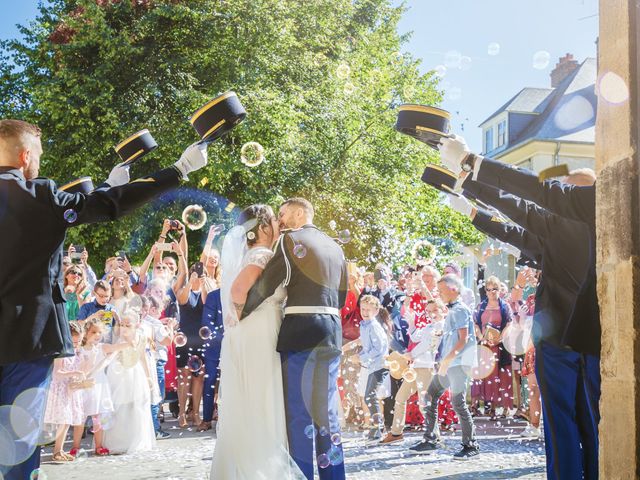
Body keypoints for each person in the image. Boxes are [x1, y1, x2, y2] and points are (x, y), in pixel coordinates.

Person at [0, 118, 208, 479]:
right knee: (19, 435)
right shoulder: (43, 195)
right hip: (28, 337)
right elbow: (111, 205)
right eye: (38, 156)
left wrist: (107, 186)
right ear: (24, 156)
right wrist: (179, 169)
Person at [441, 134, 598, 479]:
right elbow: (520, 235)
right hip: (591, 339)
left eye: (569, 189)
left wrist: (471, 167)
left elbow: (524, 210)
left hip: (560, 338)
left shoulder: (566, 222)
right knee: (591, 423)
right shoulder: (594, 227)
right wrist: (472, 208)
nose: (561, 194)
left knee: (561, 423)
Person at [240, 198, 349, 480]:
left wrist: (241, 312)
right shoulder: (335, 246)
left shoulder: (289, 242)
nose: (281, 220)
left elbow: (267, 284)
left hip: (301, 332)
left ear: (300, 212)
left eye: (284, 213)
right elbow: (341, 296)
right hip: (331, 331)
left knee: (299, 415)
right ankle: (334, 477)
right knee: (326, 413)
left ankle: (302, 476)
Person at [211, 204, 304, 479]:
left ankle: (247, 465)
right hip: (259, 329)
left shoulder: (254, 253)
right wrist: (237, 316)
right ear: (262, 228)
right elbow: (239, 289)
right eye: (274, 220)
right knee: (261, 394)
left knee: (252, 395)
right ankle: (261, 466)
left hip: (254, 328)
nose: (278, 223)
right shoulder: (262, 254)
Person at [409, 274, 479, 460]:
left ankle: (470, 445)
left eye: (441, 291)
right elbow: (453, 338)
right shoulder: (452, 310)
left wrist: (446, 362)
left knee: (458, 403)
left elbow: (463, 340)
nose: (438, 294)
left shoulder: (460, 310)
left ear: (453, 289)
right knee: (431, 396)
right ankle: (431, 439)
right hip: (449, 364)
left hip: (458, 365)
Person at [381, 298, 445, 444]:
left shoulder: (441, 325)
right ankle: (396, 433)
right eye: (428, 311)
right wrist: (411, 323)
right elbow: (416, 336)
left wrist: (412, 354)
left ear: (442, 310)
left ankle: (434, 435)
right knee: (400, 398)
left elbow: (428, 344)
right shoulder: (430, 326)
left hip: (427, 367)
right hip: (416, 367)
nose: (431, 314)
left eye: (434, 310)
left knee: (424, 403)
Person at [70, 315, 131, 457]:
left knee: (98, 417)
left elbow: (118, 346)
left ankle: (99, 446)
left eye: (99, 332)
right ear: (85, 333)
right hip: (83, 385)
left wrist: (130, 338)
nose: (97, 335)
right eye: (93, 332)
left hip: (98, 385)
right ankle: (75, 446)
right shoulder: (79, 349)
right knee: (80, 417)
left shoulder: (102, 347)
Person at [103, 310, 158, 454]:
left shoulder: (141, 337)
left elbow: (142, 357)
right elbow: (110, 352)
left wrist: (148, 376)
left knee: (138, 405)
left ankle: (136, 439)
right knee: (119, 405)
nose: (124, 328)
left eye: (128, 325)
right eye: (122, 324)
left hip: (135, 372)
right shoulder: (117, 336)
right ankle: (118, 440)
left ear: (136, 325)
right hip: (118, 372)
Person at [43, 321, 86, 463]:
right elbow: (57, 373)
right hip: (59, 389)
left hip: (69, 388)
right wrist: (75, 372)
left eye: (79, 341)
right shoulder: (61, 351)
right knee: (62, 420)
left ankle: (59, 450)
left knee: (66, 421)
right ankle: (56, 452)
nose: (77, 344)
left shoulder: (75, 350)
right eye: (74, 342)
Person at [351, 295, 389, 442]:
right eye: (363, 309)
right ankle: (376, 428)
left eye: (368, 310)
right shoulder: (365, 325)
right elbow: (368, 347)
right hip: (372, 366)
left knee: (370, 396)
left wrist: (361, 358)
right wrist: (360, 355)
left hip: (379, 366)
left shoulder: (374, 326)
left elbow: (379, 349)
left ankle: (378, 428)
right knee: (369, 396)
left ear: (376, 310)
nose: (365, 312)